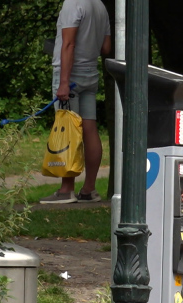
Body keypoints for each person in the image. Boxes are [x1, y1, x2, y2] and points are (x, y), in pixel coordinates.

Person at [40, 0, 112, 204]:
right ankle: (89, 189)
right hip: (90, 74)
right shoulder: (100, 6)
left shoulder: (73, 3)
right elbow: (106, 47)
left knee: (68, 128)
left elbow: (69, 43)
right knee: (90, 128)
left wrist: (64, 82)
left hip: (69, 76)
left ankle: (66, 189)